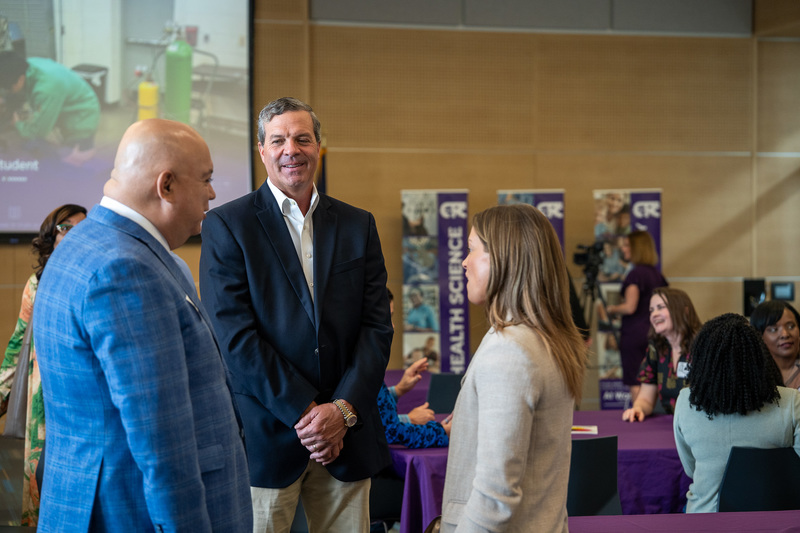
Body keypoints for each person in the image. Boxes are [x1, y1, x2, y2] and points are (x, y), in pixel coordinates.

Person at [31, 118, 252, 531]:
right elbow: (162, 442)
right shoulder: (126, 270)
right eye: (205, 179)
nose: (213, 192)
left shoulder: (86, 244)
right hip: (133, 512)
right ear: (165, 185)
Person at [199, 97, 393, 533]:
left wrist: (341, 412)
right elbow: (233, 336)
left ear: (319, 147)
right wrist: (308, 413)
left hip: (346, 437)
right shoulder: (228, 225)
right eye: (279, 140)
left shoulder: (358, 224)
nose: (292, 149)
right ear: (262, 151)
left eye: (303, 138)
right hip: (266, 435)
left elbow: (377, 327)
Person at [440, 204, 586, 532]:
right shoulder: (543, 339)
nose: (464, 262)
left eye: (472, 250)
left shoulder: (510, 352)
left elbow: (496, 493)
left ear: (503, 259)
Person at [0, 203, 86, 526]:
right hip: (43, 410)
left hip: (80, 409)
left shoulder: (95, 280)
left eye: (82, 227)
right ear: (51, 238)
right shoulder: (36, 285)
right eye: (66, 228)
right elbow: (15, 353)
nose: (75, 234)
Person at [673, 313, 800, 513]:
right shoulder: (792, 401)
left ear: (702, 359)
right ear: (759, 356)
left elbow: (691, 469)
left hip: (704, 518)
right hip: (774, 519)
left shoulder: (685, 401)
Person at [0, 51, 100, 164]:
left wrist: (18, 124)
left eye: (6, 88)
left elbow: (37, 133)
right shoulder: (25, 65)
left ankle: (84, 153)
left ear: (20, 79)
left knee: (69, 162)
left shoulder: (47, 88)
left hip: (82, 116)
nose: (5, 91)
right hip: (72, 97)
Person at [622, 287, 702, 422]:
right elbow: (645, 399)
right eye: (651, 310)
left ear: (684, 311)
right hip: (671, 426)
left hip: (702, 427)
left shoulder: (704, 346)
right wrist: (638, 408)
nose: (654, 314)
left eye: (660, 307)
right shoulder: (656, 348)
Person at [606, 230, 668, 397]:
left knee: (635, 380)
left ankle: (639, 413)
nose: (623, 249)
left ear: (636, 248)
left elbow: (630, 307)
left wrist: (611, 309)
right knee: (652, 378)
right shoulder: (657, 275)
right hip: (654, 333)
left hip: (634, 334)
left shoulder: (634, 275)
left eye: (627, 245)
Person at [750, 300, 800, 389]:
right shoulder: (753, 374)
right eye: (774, 329)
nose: (785, 334)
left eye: (791, 326)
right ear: (759, 335)